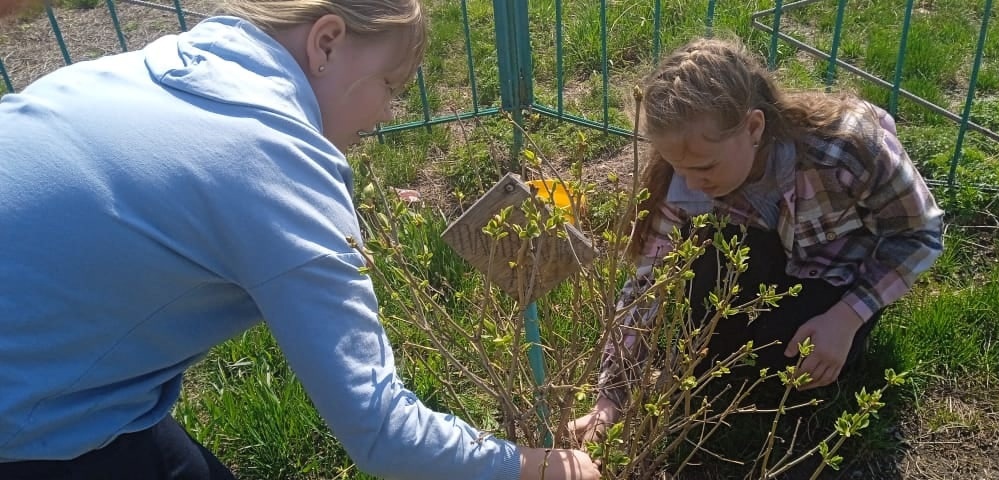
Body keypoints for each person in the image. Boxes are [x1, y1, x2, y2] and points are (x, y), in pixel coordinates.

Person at [0, 1, 600, 479]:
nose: (389, 113)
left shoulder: (151, 67)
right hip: (28, 419)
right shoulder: (273, 162)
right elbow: (379, 429)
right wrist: (531, 467)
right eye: (391, 85)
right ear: (327, 41)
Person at [570, 36, 943, 441]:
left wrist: (847, 318)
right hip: (764, 268)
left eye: (705, 167)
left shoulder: (844, 148)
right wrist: (611, 398)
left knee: (796, 371)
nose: (692, 183)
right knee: (713, 327)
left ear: (753, 127)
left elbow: (918, 233)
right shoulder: (685, 179)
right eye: (680, 167)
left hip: (836, 285)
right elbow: (647, 284)